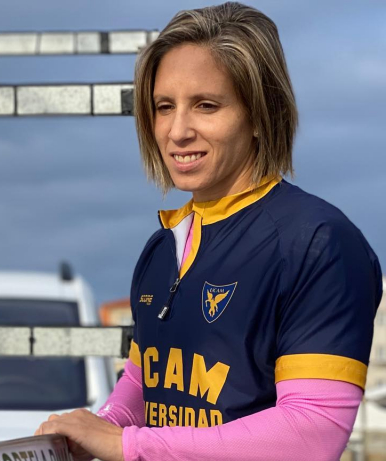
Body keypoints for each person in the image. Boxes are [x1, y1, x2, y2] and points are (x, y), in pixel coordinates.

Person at [34, 2, 383, 460]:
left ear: (260, 114)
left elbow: (312, 434)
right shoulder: (163, 247)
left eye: (206, 105)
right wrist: (96, 429)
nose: (177, 131)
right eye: (164, 107)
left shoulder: (318, 242)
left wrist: (126, 445)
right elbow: (142, 384)